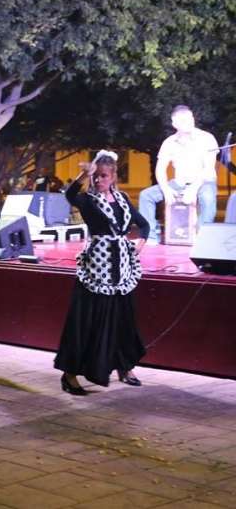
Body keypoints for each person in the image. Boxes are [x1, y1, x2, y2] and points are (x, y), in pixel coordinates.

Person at [55, 151, 149, 395]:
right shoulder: (88, 200)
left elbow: (144, 224)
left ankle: (124, 367)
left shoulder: (122, 199)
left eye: (103, 176)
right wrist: (82, 175)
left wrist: (138, 245)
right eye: (95, 176)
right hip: (97, 268)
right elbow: (70, 195)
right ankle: (70, 375)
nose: (98, 180)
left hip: (121, 269)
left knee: (122, 320)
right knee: (88, 320)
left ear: (113, 176)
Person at [139, 105, 219, 243]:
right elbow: (160, 169)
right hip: (179, 182)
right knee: (146, 196)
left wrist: (193, 189)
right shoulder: (169, 142)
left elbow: (208, 168)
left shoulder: (207, 138)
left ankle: (202, 237)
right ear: (174, 124)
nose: (187, 123)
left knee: (207, 198)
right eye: (182, 120)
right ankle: (150, 236)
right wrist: (166, 189)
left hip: (203, 181)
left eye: (189, 119)